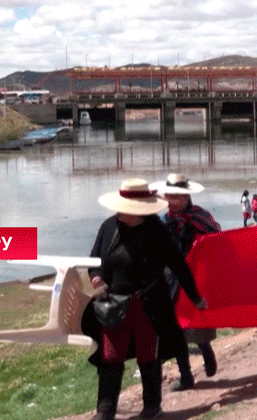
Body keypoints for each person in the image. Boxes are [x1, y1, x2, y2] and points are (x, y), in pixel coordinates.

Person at [87, 178, 207, 420]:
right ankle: (105, 410)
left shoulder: (156, 230)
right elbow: (94, 262)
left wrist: (195, 297)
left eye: (127, 210)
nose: (121, 214)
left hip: (149, 305)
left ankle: (152, 407)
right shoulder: (108, 228)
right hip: (113, 306)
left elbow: (179, 265)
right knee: (110, 358)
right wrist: (97, 279)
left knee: (148, 355)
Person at [152, 173, 221, 391]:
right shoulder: (163, 220)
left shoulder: (201, 217)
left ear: (186, 197)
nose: (174, 200)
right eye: (170, 196)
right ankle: (186, 375)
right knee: (175, 328)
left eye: (178, 196)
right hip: (170, 280)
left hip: (196, 277)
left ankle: (206, 350)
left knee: (196, 318)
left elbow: (217, 238)